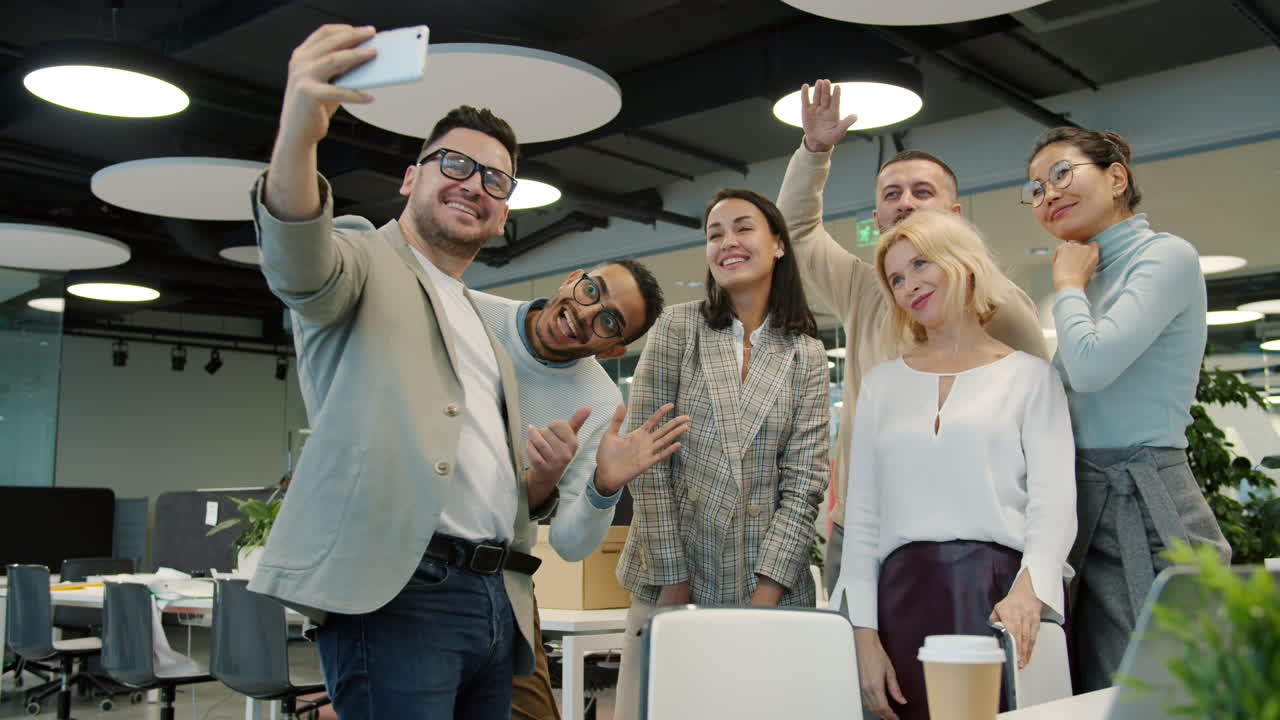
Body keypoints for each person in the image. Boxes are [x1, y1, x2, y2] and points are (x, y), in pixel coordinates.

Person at [247, 24, 685, 719]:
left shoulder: (478, 328)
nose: (474, 185)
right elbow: (300, 264)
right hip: (401, 588)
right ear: (411, 176)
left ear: (504, 214)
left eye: (495, 180)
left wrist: (552, 484)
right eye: (454, 164)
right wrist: (300, 127)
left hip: (494, 595)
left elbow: (488, 482)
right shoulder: (364, 258)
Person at [776, 79, 1050, 604]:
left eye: (923, 192)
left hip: (968, 534)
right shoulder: (863, 290)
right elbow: (795, 231)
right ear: (877, 219)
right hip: (862, 528)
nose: (905, 203)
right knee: (858, 656)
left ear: (955, 214)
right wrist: (814, 151)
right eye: (892, 195)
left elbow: (1042, 425)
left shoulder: (1001, 303)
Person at [831, 210, 1077, 720]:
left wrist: (1030, 589)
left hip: (1003, 597)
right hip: (900, 600)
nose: (909, 286)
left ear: (961, 262)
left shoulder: (1031, 378)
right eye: (896, 279)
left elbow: (1054, 502)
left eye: (920, 264)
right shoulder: (880, 385)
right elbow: (863, 520)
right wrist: (864, 636)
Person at [612, 188, 831, 720]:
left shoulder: (805, 352)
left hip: (768, 587)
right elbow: (647, 463)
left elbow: (804, 484)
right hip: (670, 576)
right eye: (715, 233)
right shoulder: (678, 327)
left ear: (778, 244)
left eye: (743, 228)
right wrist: (674, 582)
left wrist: (764, 600)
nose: (727, 241)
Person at [1024, 127, 1230, 691]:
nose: (1048, 194)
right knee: (1097, 684)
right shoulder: (1091, 273)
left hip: (1147, 497)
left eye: (1061, 174)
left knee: (1159, 686)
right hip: (1087, 500)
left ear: (1116, 178)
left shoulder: (1164, 255)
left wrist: (1067, 283)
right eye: (1036, 189)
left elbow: (1092, 368)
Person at [469, 260, 687, 720]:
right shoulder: (470, 314)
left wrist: (603, 486)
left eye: (608, 321)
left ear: (612, 349)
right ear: (573, 278)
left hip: (504, 585)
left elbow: (570, 544)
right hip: (418, 570)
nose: (586, 313)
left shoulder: (600, 403)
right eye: (592, 290)